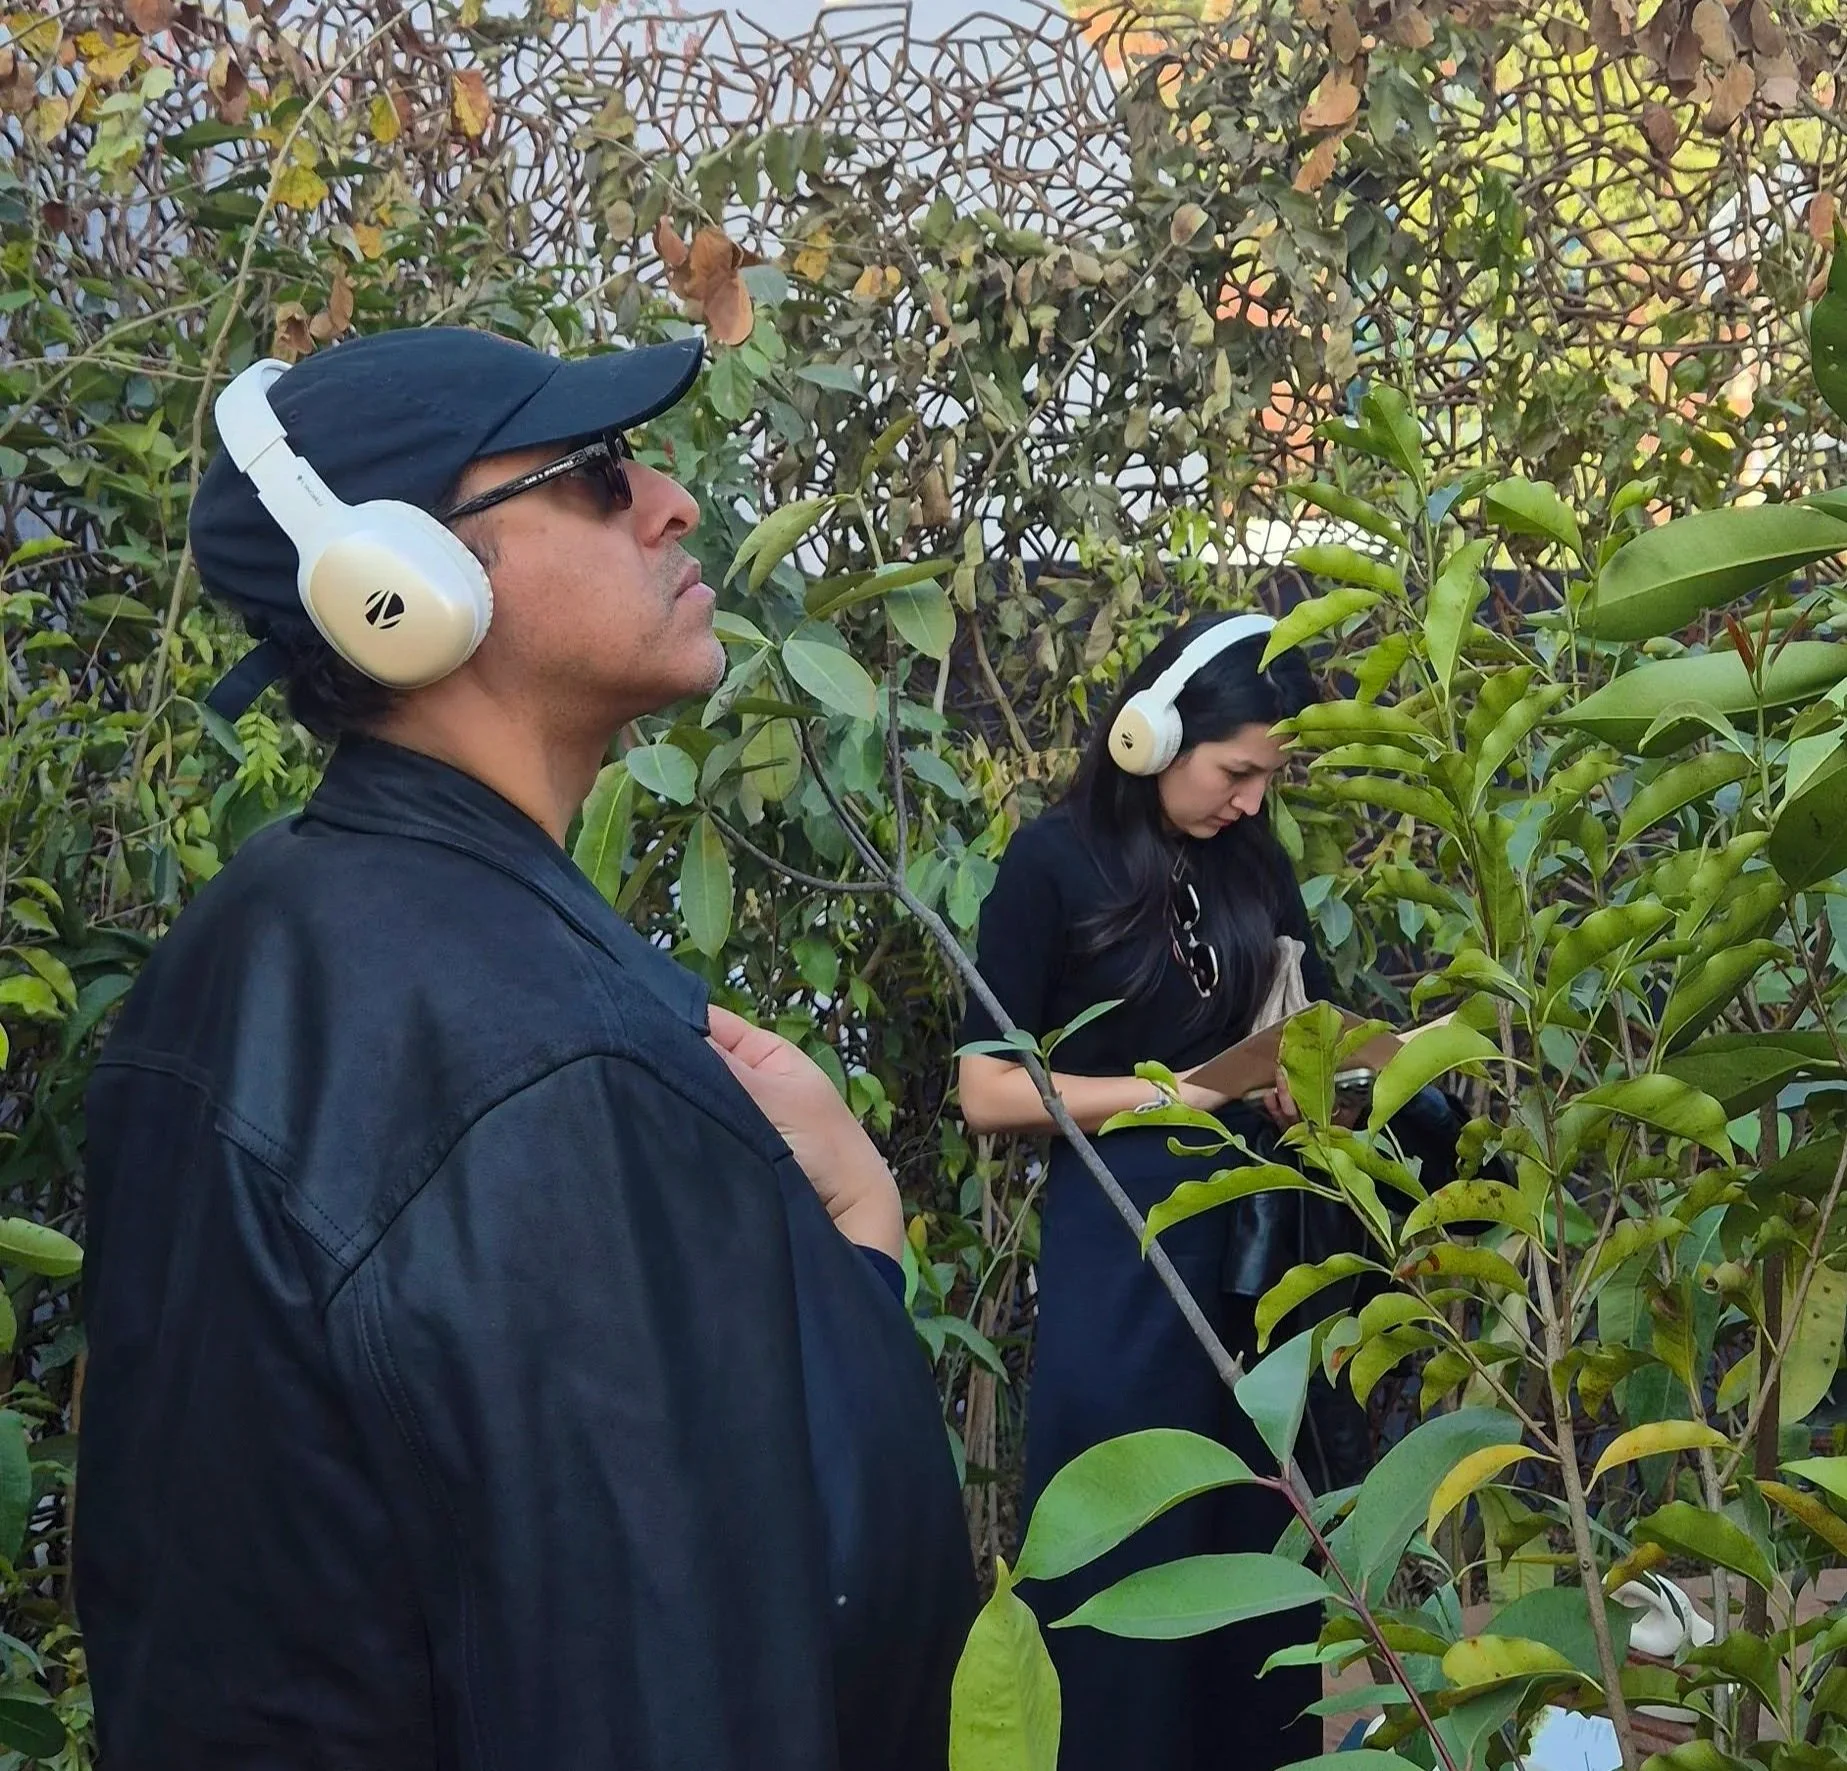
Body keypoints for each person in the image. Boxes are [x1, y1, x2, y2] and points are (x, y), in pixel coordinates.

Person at [77, 325, 974, 1770]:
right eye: (597, 473)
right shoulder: (551, 1066)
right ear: (393, 586)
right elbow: (705, 1656)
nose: (670, 501)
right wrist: (860, 1235)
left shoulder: (247, 937)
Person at [957, 610, 1351, 1771]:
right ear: (1152, 733)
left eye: (1266, 780)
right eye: (1234, 772)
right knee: (1124, 1535)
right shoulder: (1049, 863)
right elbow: (986, 1089)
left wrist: (1306, 1084)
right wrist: (1165, 1094)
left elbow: (1304, 1027)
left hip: (1253, 1250)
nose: (1249, 801)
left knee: (1251, 1539)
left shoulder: (1251, 863)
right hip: (1121, 1245)